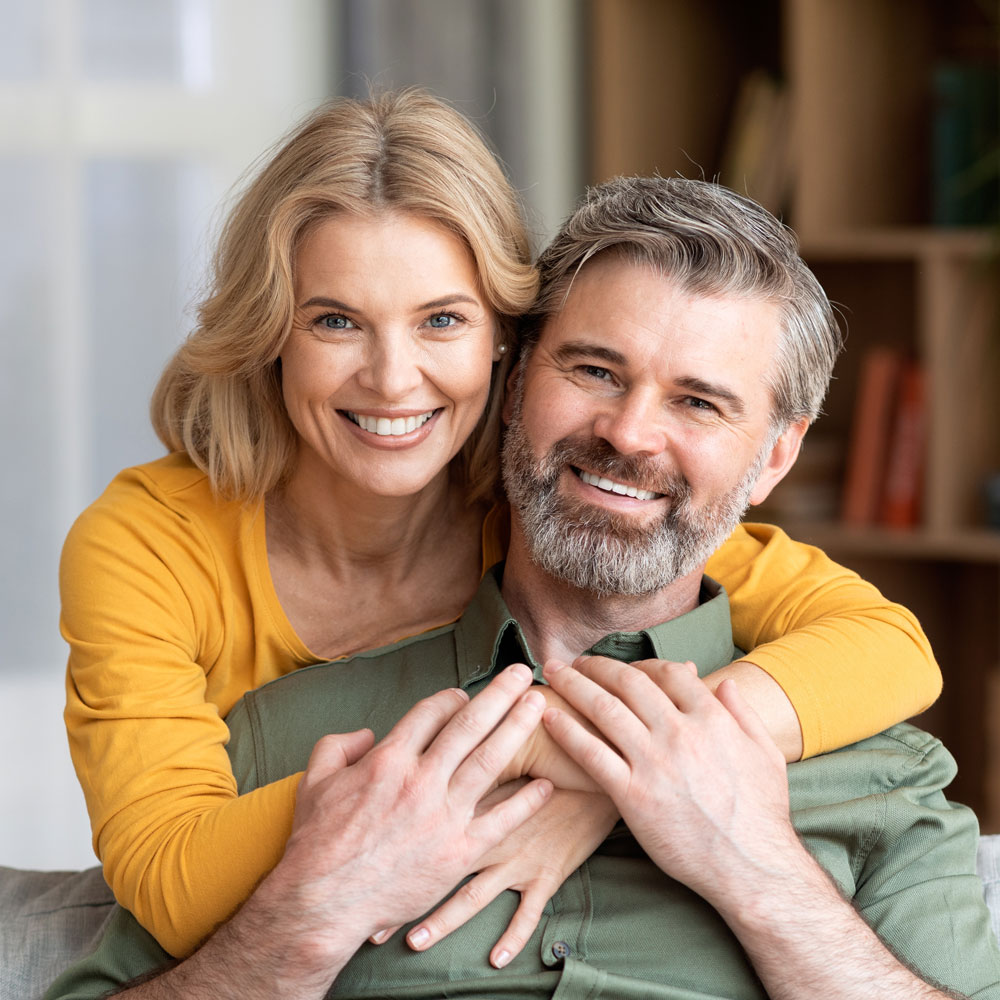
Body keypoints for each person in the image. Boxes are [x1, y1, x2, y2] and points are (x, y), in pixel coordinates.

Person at [47, 176, 1000, 1000]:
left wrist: (758, 873)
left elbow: (891, 640)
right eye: (594, 370)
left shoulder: (873, 768)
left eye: (698, 402)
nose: (629, 434)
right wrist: (313, 911)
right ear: (515, 384)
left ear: (775, 457)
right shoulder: (296, 757)